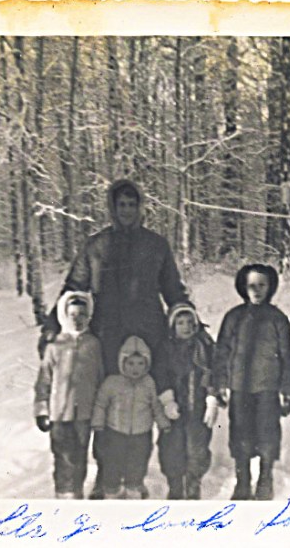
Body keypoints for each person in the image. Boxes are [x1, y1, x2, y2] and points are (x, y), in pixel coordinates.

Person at [39, 178, 190, 498]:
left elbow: (172, 288)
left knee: (147, 401)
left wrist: (187, 316)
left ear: (140, 207)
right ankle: (106, 475)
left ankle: (136, 475)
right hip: (107, 334)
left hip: (148, 334)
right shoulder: (97, 246)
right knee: (105, 404)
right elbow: (74, 286)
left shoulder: (156, 245)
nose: (127, 210)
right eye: (121, 204)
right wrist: (53, 324)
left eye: (132, 204)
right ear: (112, 207)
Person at [213, 264, 290, 501]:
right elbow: (222, 353)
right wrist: (220, 383)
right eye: (251, 285)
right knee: (240, 435)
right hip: (239, 387)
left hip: (268, 389)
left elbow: (287, 357)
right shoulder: (234, 317)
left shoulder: (277, 319)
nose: (256, 290)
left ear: (270, 287)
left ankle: (265, 479)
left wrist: (287, 391)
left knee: (268, 435)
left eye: (262, 285)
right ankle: (242, 482)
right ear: (243, 287)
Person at [33, 291, 104, 499]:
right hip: (59, 414)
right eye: (72, 315)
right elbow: (44, 380)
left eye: (82, 314)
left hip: (84, 413)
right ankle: (64, 495)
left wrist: (100, 410)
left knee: (80, 456)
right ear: (64, 316)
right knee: (63, 457)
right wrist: (42, 410)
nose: (77, 319)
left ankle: (76, 494)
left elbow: (100, 379)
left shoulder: (93, 345)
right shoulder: (55, 346)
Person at [90, 335, 171, 500]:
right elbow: (101, 403)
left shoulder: (149, 383)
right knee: (112, 462)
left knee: (138, 463)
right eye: (131, 363)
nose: (136, 368)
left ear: (147, 364)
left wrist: (163, 422)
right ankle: (111, 490)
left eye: (141, 364)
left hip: (141, 434)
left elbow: (155, 405)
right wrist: (98, 422)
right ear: (122, 363)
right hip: (115, 432)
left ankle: (133, 487)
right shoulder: (112, 382)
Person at [157, 303, 220, 500]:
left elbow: (214, 372)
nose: (186, 327)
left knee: (197, 448)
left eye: (190, 322)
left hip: (197, 408)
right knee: (172, 448)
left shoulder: (205, 346)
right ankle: (175, 486)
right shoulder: (166, 348)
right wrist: (167, 401)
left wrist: (212, 398)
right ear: (172, 326)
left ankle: (193, 485)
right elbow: (161, 375)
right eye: (180, 323)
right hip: (174, 408)